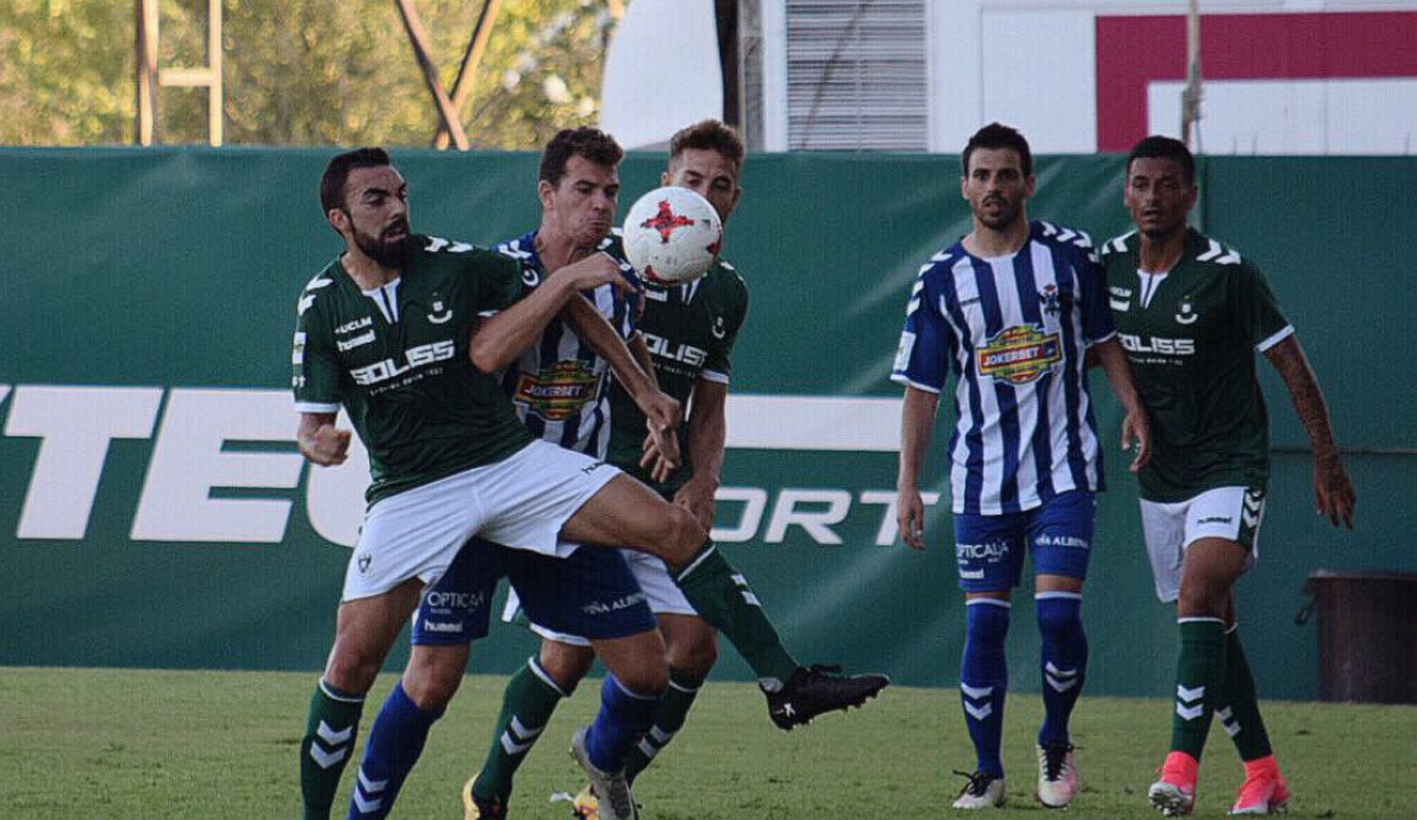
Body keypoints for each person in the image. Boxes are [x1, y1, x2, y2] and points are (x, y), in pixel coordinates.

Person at [460, 120, 779, 820]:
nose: (703, 194)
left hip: (660, 491)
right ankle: (488, 788)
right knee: (567, 659)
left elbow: (709, 404)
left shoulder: (724, 292)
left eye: (719, 186)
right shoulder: (605, 258)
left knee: (693, 648)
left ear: (733, 202)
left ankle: (601, 787)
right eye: (689, 180)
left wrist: (703, 481)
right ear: (663, 185)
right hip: (584, 482)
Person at [892, 123, 1150, 810]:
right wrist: (907, 485)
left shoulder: (1069, 258)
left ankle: (1055, 741)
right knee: (984, 627)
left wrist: (1132, 407)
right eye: (980, 175)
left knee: (1058, 618)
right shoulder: (941, 279)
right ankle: (987, 769)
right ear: (964, 186)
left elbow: (1105, 341)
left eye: (1006, 175)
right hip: (981, 482)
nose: (993, 187)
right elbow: (921, 392)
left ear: (1028, 183)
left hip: (1063, 472)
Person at [1100, 136, 1356, 817]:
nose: (1152, 197)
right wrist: (1130, 407)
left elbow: (1290, 365)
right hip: (1160, 471)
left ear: (1190, 194)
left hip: (1230, 462)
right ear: (1125, 193)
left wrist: (1325, 456)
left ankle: (1178, 769)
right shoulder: (1107, 267)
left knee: (1197, 588)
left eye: (1166, 185)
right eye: (1140, 185)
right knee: (1211, 622)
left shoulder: (1227, 273)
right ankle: (1263, 774)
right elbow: (1094, 348)